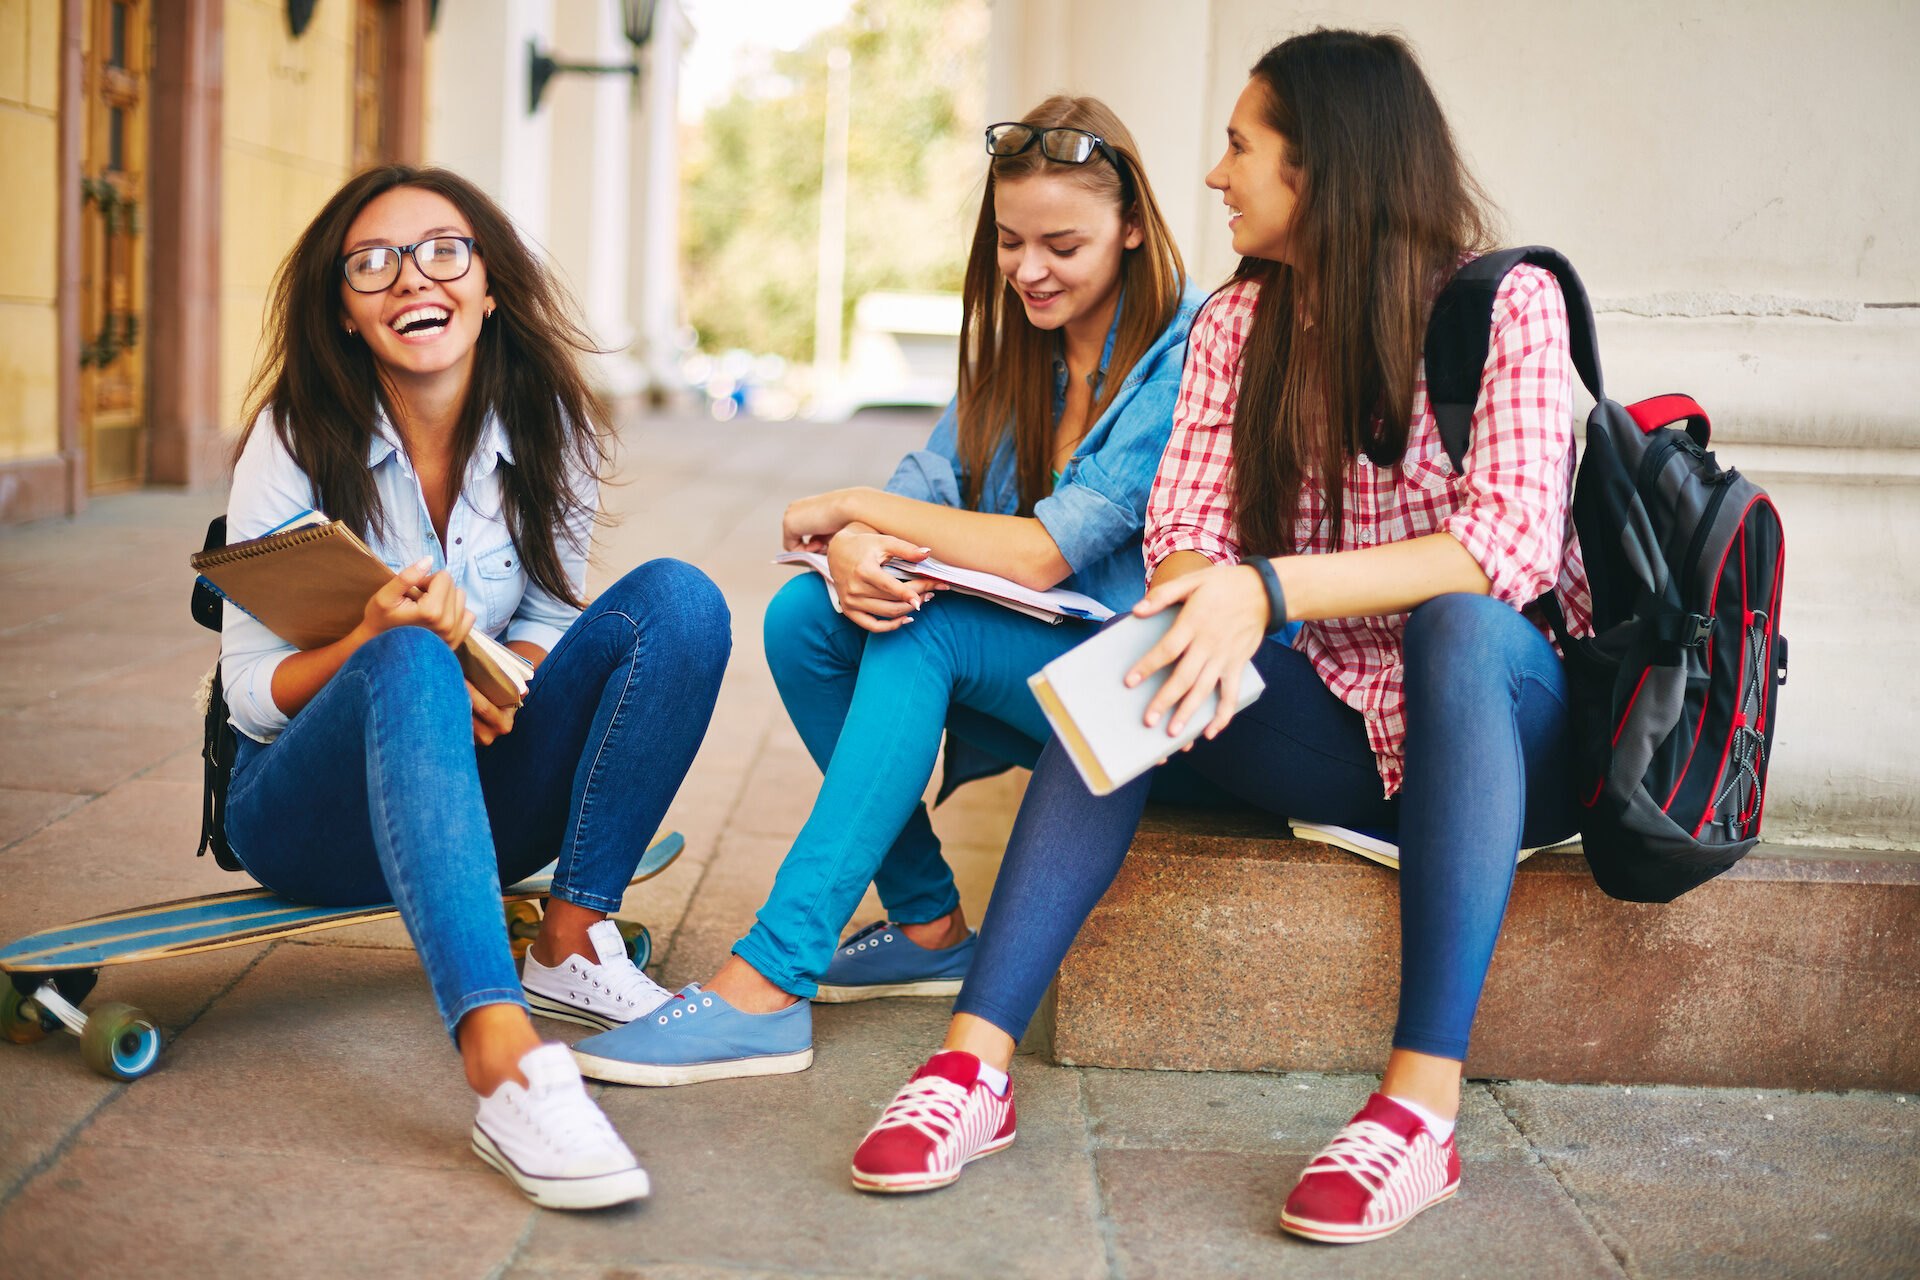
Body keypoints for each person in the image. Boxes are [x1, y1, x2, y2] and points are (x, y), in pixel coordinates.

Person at [851, 29, 1590, 1245]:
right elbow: (1186, 523)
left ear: (1327, 168)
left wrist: (1268, 590)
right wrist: (1202, 594)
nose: (1214, 175)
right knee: (1140, 642)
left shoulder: (1507, 304)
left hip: (1501, 732)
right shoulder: (1239, 324)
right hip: (1334, 729)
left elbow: (1505, 545)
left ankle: (1419, 1112)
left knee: (1458, 622)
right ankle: (971, 1069)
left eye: (1242, 146)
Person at [568, 96, 1202, 1087]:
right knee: (804, 616)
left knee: (926, 629)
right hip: (1042, 660)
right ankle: (929, 921)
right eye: (1008, 241)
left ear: (1131, 227)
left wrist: (857, 503)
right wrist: (862, 539)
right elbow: (931, 481)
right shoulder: (1021, 343)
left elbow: (1045, 552)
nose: (1028, 270)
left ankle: (770, 981)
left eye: (1061, 245)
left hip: (1145, 688)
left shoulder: (1186, 352)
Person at [219, 165, 730, 1209]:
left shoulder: (550, 425)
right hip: (302, 810)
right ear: (347, 312)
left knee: (681, 601)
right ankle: (504, 1056)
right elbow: (251, 694)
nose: (414, 277)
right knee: (406, 649)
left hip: (474, 789)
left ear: (488, 284)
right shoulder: (295, 434)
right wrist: (373, 635)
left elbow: (546, 620)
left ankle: (572, 938)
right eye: (373, 262)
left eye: (443, 250)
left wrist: (510, 677)